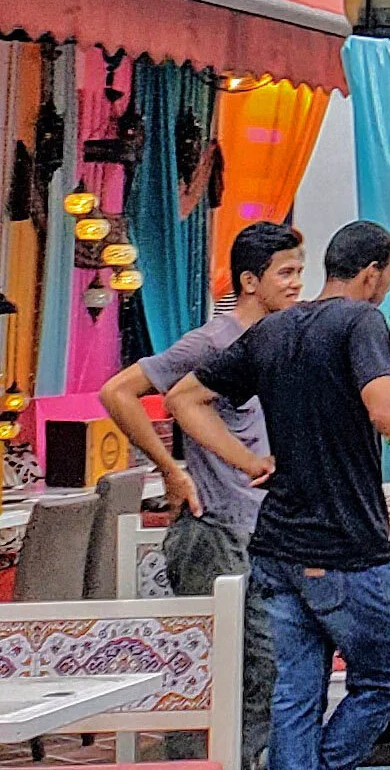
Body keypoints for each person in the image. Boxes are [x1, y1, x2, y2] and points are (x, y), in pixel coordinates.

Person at [169, 221, 390, 770]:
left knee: (296, 692)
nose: (387, 286)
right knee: (384, 680)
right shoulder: (361, 321)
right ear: (370, 273)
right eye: (389, 275)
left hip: (277, 545)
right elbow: (385, 410)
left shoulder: (274, 329)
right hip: (345, 542)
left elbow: (185, 398)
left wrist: (248, 462)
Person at [99, 221, 307, 769]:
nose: (295, 284)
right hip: (213, 530)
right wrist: (169, 468)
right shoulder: (211, 342)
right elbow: (117, 391)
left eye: (299, 272)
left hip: (265, 531)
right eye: (285, 273)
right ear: (248, 280)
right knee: (217, 666)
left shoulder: (282, 340)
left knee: (268, 666)